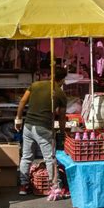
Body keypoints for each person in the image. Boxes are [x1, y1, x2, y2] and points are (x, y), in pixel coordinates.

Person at [16, 67, 68, 195]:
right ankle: (54, 186)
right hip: (43, 128)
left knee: (26, 157)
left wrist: (18, 119)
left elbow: (22, 101)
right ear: (62, 80)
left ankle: (23, 186)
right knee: (50, 158)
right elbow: (61, 117)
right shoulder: (60, 93)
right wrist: (62, 132)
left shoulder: (35, 85)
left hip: (28, 126)